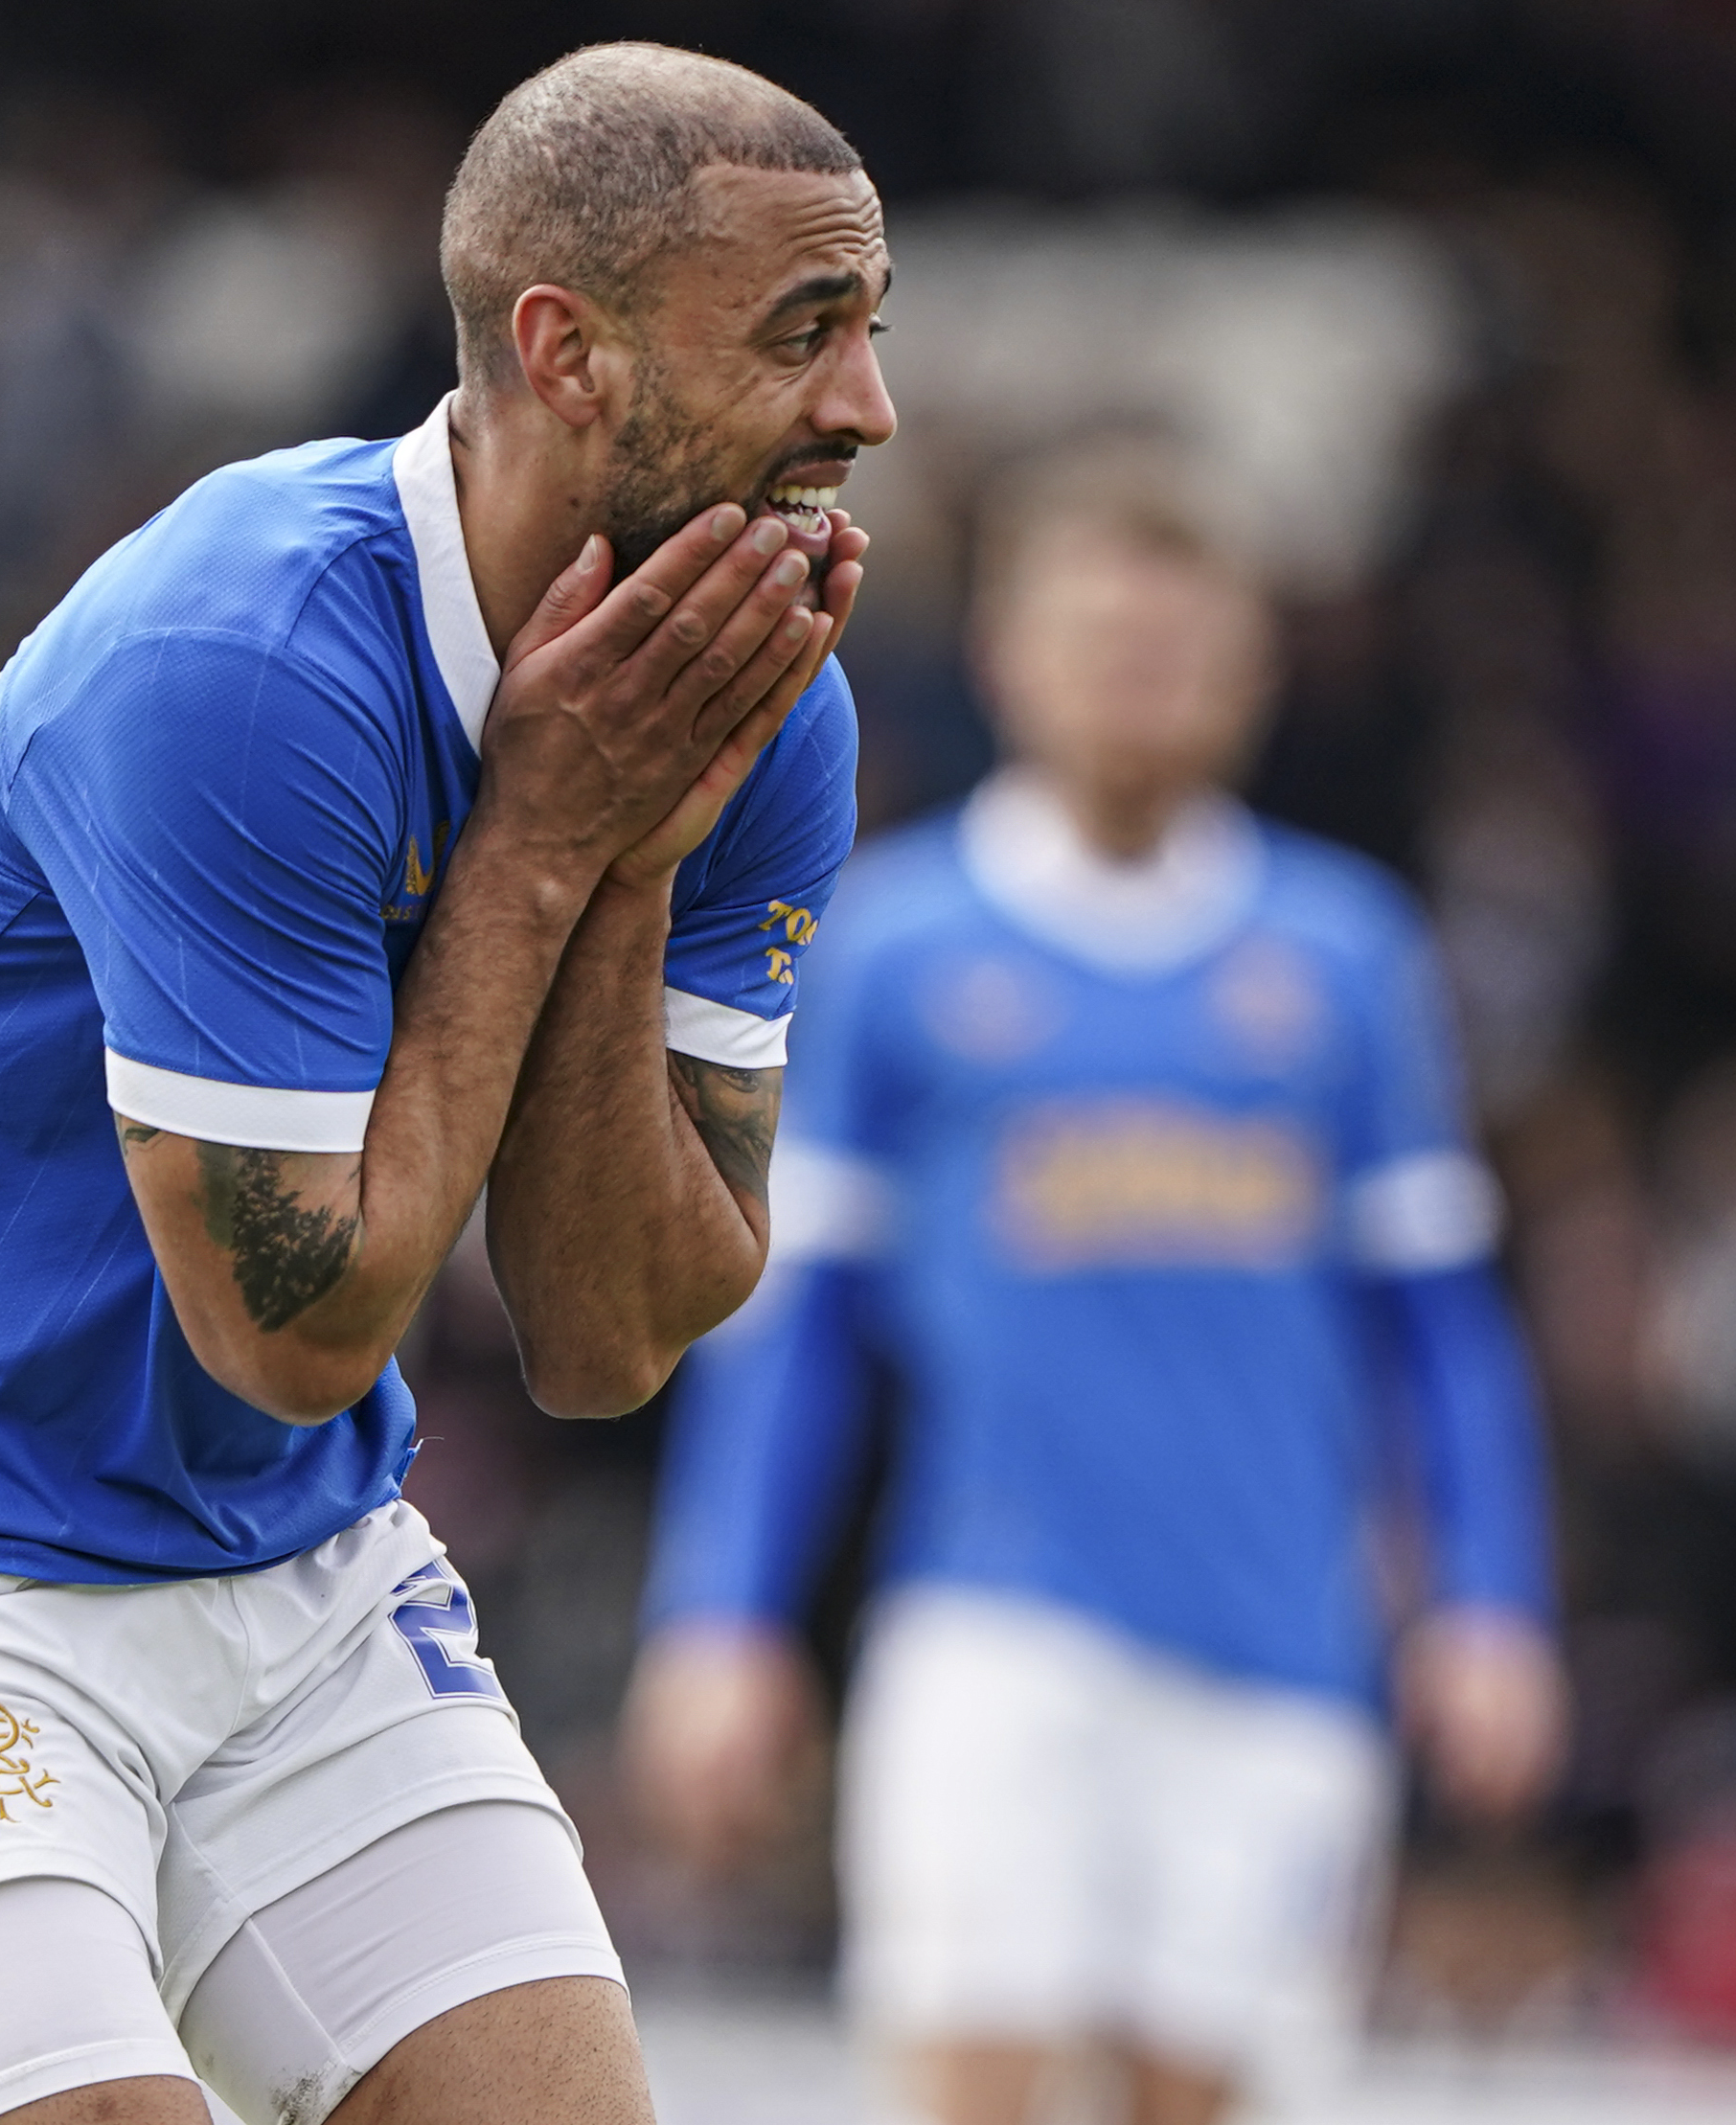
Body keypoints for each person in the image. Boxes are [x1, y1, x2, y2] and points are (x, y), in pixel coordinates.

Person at [0, 44, 893, 2125]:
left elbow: (610, 1335)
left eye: (868, 328)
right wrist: (540, 845)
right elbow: (296, 1332)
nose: (867, 407)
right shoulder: (241, 659)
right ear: (566, 351)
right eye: (802, 331)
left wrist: (627, 854)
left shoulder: (745, 704)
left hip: (289, 1567)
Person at [622, 446, 1565, 2125]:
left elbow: (1438, 1324)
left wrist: (1488, 1600)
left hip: (1279, 1646)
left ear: (1253, 671)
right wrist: (721, 1614)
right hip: (994, 1631)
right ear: (1009, 656)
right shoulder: (897, 945)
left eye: (1179, 645)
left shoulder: (1344, 957)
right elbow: (799, 1331)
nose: (1140, 678)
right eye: (1103, 639)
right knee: (969, 2084)